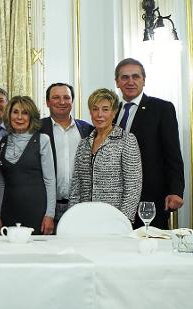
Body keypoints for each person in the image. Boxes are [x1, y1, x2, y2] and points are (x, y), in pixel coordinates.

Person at [114, 58, 184, 229]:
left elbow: (172, 154)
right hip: (116, 198)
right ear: (117, 82)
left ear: (143, 80)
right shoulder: (110, 111)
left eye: (135, 76)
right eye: (124, 77)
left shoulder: (161, 109)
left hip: (150, 196)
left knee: (151, 247)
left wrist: (175, 191)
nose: (130, 82)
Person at [69, 88, 142, 221]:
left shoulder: (126, 140)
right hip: (85, 218)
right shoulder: (84, 144)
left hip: (114, 219)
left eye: (105, 109)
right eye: (95, 109)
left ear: (114, 112)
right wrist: (72, 218)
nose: (99, 115)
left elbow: (133, 188)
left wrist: (123, 221)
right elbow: (76, 186)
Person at [0, 96, 55, 235]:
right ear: (9, 115)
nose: (19, 117)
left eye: (25, 113)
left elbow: (50, 181)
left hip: (37, 212)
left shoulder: (42, 140)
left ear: (31, 117)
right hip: (8, 212)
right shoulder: (0, 142)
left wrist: (50, 215)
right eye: (15, 112)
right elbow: (0, 183)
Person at [39, 83, 93, 223]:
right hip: (46, 207)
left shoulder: (88, 130)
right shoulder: (36, 129)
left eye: (66, 97)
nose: (62, 102)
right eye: (56, 97)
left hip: (80, 206)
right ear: (47, 102)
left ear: (72, 101)